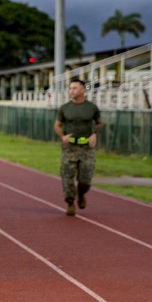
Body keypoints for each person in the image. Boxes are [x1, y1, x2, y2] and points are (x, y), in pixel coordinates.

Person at [54, 79, 103, 216]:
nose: (71, 91)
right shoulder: (64, 108)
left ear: (82, 90)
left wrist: (94, 134)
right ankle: (70, 202)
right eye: (70, 88)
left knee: (85, 179)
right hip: (70, 148)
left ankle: (81, 193)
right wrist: (62, 136)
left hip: (86, 148)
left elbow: (99, 123)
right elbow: (57, 125)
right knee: (67, 178)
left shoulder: (91, 108)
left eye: (75, 88)